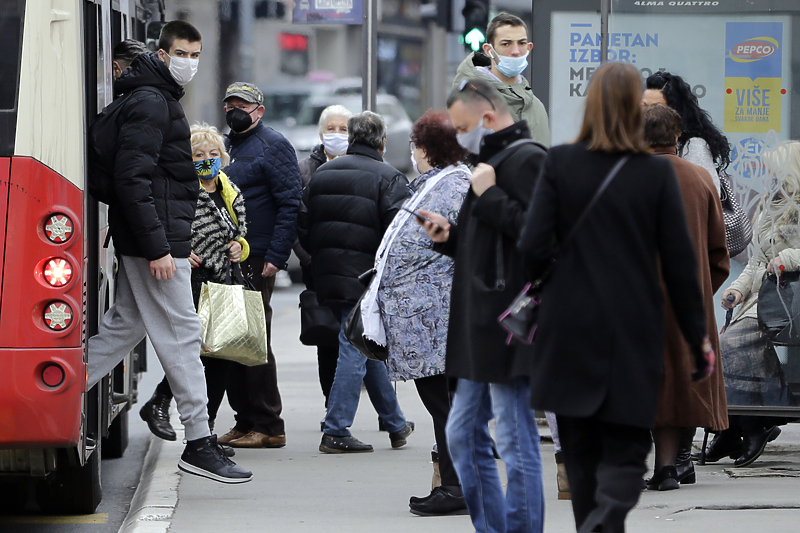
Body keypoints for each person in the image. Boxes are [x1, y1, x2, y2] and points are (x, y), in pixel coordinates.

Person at [518, 62, 711, 532]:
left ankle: (594, 521)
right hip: (633, 329)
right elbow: (682, 267)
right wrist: (696, 338)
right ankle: (607, 518)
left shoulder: (560, 163)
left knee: (581, 458)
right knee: (626, 453)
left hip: (567, 331)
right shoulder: (656, 175)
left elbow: (530, 251)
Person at [87, 21, 252, 483]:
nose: (190, 63)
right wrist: (160, 248)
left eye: (196, 54)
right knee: (182, 335)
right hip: (157, 244)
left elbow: (141, 180)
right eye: (182, 53)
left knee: (125, 327)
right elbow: (132, 180)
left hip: (151, 239)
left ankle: (53, 391)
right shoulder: (152, 103)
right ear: (162, 55)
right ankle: (199, 442)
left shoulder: (150, 98)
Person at [419, 78, 547, 533]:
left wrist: (490, 196)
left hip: (509, 325)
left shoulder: (526, 160)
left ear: (488, 117)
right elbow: (493, 245)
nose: (457, 136)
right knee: (463, 434)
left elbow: (543, 238)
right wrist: (450, 238)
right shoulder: (489, 163)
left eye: (462, 126)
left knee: (513, 437)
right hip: (483, 324)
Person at [368, 110, 471, 515]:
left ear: (423, 149)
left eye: (414, 146)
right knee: (445, 404)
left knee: (445, 405)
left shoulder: (452, 186)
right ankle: (455, 483)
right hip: (430, 318)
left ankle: (457, 486)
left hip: (436, 319)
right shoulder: (444, 184)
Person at [299, 111, 414, 454]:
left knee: (362, 344)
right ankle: (336, 429)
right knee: (353, 348)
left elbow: (302, 224)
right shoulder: (390, 178)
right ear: (382, 142)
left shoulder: (322, 174)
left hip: (328, 276)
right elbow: (399, 237)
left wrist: (320, 261)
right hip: (367, 278)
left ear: (349, 139)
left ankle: (395, 423)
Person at [139, 124, 250, 459]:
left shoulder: (229, 190)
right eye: (199, 155)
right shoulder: (183, 188)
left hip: (225, 281)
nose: (207, 160)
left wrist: (239, 246)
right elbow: (170, 224)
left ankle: (207, 430)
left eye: (213, 154)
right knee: (197, 352)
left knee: (221, 358)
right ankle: (162, 401)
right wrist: (179, 249)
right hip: (194, 279)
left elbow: (241, 233)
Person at [642, 104, 730, 490]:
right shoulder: (699, 179)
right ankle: (669, 467)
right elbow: (719, 253)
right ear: (678, 137)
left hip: (638, 299)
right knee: (682, 380)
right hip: (689, 300)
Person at [218, 82, 302, 449]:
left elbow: (290, 204)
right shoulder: (229, 146)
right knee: (234, 340)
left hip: (257, 257)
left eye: (243, 105)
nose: (236, 110)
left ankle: (269, 424)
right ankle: (246, 420)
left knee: (253, 340)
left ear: (259, 111)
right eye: (231, 104)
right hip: (231, 256)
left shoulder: (274, 145)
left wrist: (276, 257)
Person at [707, 141, 800, 467]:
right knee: (719, 348)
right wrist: (737, 289)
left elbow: (782, 258)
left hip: (790, 299)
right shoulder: (769, 205)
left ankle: (754, 423)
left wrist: (785, 259)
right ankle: (733, 428)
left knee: (728, 344)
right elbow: (756, 262)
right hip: (766, 296)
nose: (771, 176)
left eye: (776, 169)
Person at [295, 104, 353, 412]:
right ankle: (332, 408)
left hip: (355, 269)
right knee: (327, 342)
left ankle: (389, 415)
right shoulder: (305, 169)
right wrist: (308, 260)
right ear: (320, 132)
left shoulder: (362, 165)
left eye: (343, 129)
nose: (336, 134)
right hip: (318, 270)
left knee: (363, 341)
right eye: (331, 128)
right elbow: (295, 222)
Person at [453, 13, 550, 147]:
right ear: (489, 50)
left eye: (521, 43)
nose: (516, 51)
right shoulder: (469, 99)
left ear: (529, 48)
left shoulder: (536, 106)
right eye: (506, 44)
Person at [643, 71, 731, 194]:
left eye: (657, 107)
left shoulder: (693, 145)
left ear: (675, 110)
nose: (648, 112)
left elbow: (709, 194)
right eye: (643, 106)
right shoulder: (636, 142)